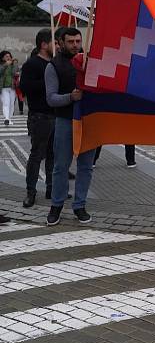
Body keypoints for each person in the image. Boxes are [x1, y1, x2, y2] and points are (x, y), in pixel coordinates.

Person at [45, 27, 94, 226]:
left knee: (86, 167)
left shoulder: (89, 62)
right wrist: (70, 97)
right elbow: (51, 99)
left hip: (88, 121)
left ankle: (79, 205)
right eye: (71, 42)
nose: (75, 45)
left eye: (77, 41)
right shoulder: (53, 66)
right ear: (61, 43)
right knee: (61, 167)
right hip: (65, 121)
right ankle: (56, 205)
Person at [19, 29, 55, 208]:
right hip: (39, 116)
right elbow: (25, 87)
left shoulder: (55, 63)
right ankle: (30, 192)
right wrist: (48, 82)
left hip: (55, 115)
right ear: (43, 44)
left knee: (52, 155)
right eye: (53, 42)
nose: (56, 45)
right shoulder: (32, 64)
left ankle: (51, 189)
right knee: (36, 155)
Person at [1, 51, 20, 125]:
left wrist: (14, 64)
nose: (8, 57)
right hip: (3, 88)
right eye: (6, 56)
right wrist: (5, 65)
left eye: (9, 56)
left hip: (12, 87)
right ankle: (6, 118)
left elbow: (15, 72)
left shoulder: (13, 65)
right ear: (2, 58)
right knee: (6, 103)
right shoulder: (1, 65)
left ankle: (9, 118)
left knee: (11, 104)